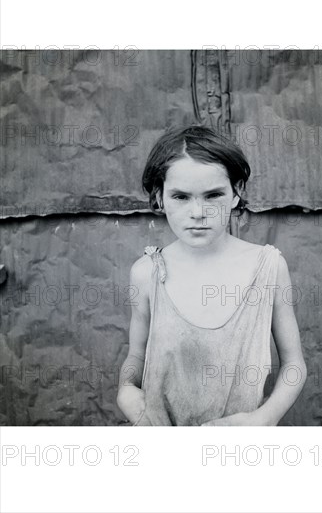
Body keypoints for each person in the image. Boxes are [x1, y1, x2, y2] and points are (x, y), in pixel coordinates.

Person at [117, 125, 307, 426]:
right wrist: (126, 390)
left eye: (213, 195)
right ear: (160, 196)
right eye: (181, 197)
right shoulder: (146, 273)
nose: (198, 212)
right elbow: (137, 357)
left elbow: (295, 365)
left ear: (236, 192)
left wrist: (262, 419)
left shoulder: (267, 268)